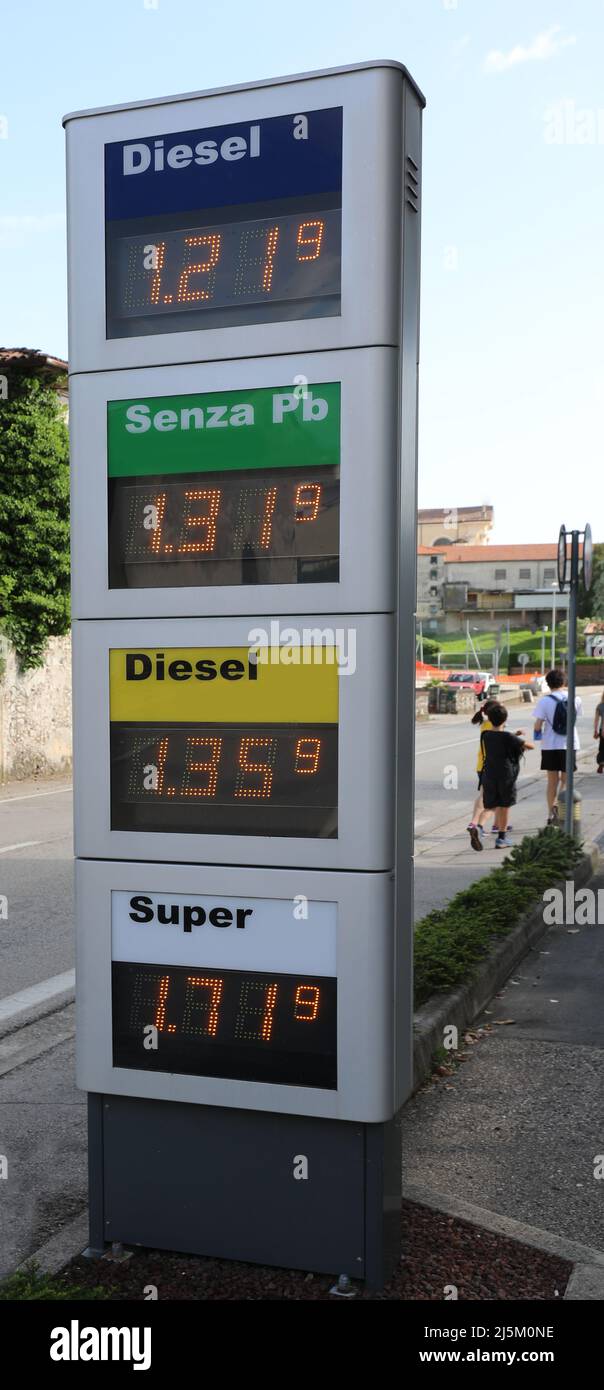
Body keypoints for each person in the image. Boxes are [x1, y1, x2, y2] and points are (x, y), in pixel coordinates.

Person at [478, 703, 532, 850]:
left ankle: (478, 827)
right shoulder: (508, 737)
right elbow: (529, 746)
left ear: (489, 719)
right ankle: (501, 839)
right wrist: (519, 740)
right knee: (505, 806)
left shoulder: (486, 735)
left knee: (490, 806)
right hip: (505, 776)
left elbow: (500, 738)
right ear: (505, 719)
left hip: (489, 774)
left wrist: (514, 736)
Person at [532, 669, 582, 824]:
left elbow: (538, 725)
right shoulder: (576, 699)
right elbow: (575, 719)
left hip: (549, 746)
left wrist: (538, 735)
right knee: (566, 781)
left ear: (548, 684)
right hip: (570, 744)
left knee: (551, 782)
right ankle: (560, 809)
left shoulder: (544, 701)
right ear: (564, 682)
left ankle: (550, 814)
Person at [594, 690, 604, 774]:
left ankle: (601, 763)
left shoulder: (599, 706)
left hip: (602, 730)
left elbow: (596, 720)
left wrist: (595, 731)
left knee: (602, 748)